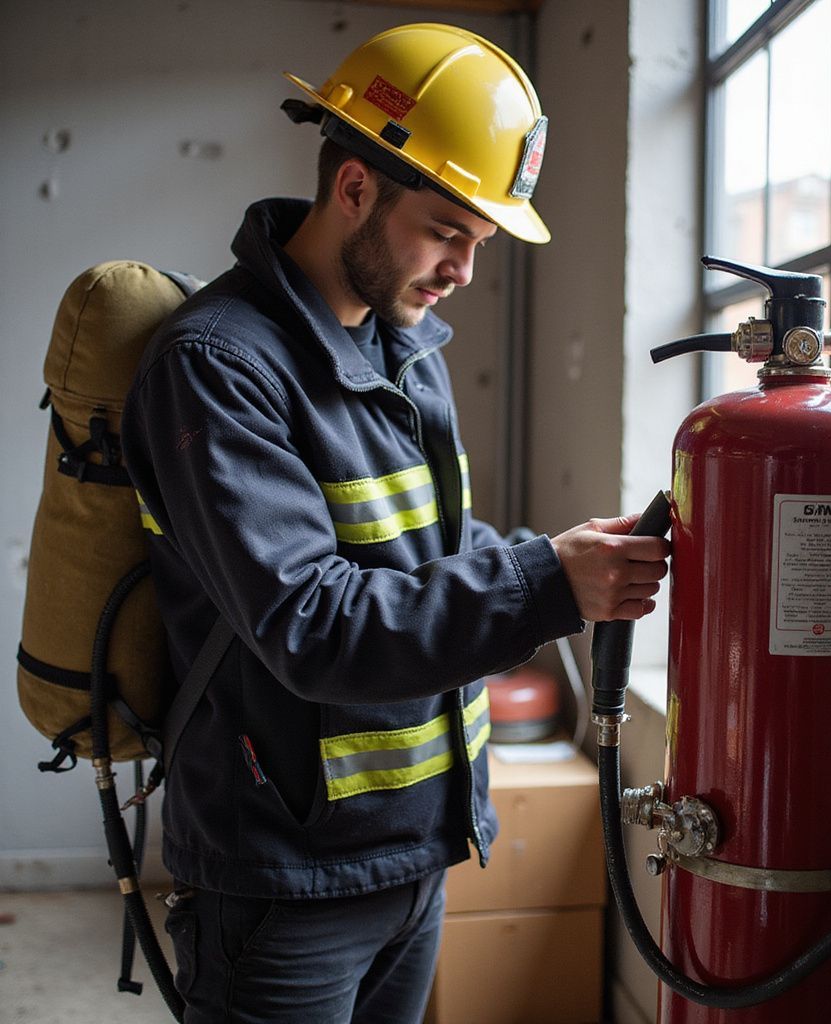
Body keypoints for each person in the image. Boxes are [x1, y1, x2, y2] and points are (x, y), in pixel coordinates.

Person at [123, 22, 669, 1024]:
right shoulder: (217, 366)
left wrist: (558, 555)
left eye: (481, 241)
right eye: (448, 230)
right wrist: (547, 583)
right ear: (356, 188)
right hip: (283, 881)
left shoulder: (405, 352)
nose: (464, 268)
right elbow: (310, 621)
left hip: (415, 850)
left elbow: (427, 551)